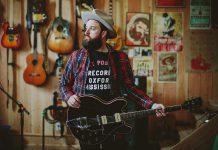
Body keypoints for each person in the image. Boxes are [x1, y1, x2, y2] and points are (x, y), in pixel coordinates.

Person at [59, 9, 165, 150]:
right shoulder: (77, 57)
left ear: (103, 33)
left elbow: (130, 88)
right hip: (85, 120)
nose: (86, 32)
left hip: (112, 120)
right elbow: (64, 84)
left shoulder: (120, 58)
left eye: (92, 28)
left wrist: (152, 105)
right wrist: (69, 96)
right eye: (86, 28)